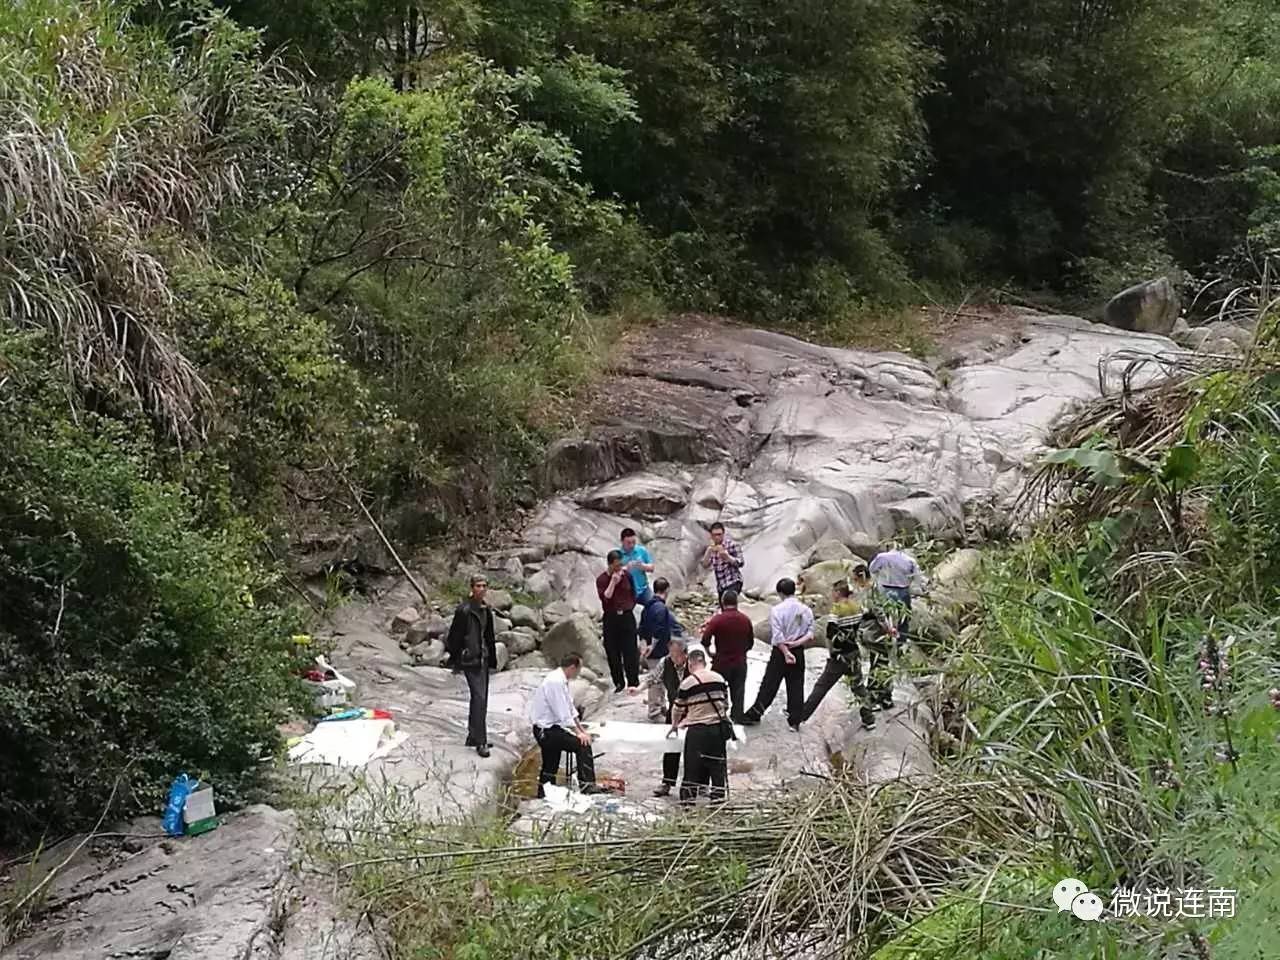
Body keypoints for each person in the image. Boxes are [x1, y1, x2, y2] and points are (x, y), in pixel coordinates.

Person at [795, 581, 877, 729]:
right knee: (858, 688)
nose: (832, 595)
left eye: (833, 592)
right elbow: (870, 615)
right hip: (854, 653)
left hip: (839, 657)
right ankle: (869, 718)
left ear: (838, 593)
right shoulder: (856, 606)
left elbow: (831, 632)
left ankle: (799, 718)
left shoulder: (837, 609)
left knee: (821, 687)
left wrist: (833, 652)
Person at [529, 654, 607, 796]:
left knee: (551, 762)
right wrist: (578, 734)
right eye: (579, 669)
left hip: (551, 728)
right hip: (546, 730)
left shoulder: (561, 680)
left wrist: (582, 730)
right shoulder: (555, 682)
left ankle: (544, 792)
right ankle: (587, 785)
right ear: (572, 667)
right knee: (582, 745)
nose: (579, 673)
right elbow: (562, 713)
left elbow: (570, 708)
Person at [741, 578, 814, 730]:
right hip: (798, 650)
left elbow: (778, 636)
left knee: (770, 684)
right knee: (796, 684)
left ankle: (755, 714)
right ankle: (795, 721)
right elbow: (810, 634)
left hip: (780, 652)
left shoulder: (777, 610)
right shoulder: (806, 610)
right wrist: (795, 644)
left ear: (780, 593)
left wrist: (786, 651)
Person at [669, 645, 731, 805]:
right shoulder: (719, 678)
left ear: (690, 664)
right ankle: (718, 803)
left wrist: (675, 725)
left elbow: (677, 708)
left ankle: (688, 805)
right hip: (718, 730)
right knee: (717, 769)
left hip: (698, 731)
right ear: (704, 661)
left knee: (692, 769)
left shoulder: (687, 683)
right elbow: (726, 704)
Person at [444, 575, 497, 757]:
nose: (481, 589)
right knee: (479, 698)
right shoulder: (464, 610)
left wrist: (493, 661)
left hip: (482, 658)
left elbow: (489, 637)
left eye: (484, 586)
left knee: (481, 698)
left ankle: (474, 736)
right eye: (478, 586)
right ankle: (480, 741)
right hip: (469, 660)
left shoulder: (486, 610)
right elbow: (453, 637)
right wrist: (456, 659)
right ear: (471, 588)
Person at [701, 589, 754, 723]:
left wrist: (710, 653)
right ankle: (737, 716)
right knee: (738, 689)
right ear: (736, 603)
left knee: (714, 687)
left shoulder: (717, 620)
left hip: (721, 660)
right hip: (739, 661)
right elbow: (750, 643)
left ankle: (715, 712)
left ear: (722, 602)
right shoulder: (745, 620)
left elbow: (705, 639)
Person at [639, 578, 683, 722]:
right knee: (656, 682)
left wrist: (644, 645)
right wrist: (653, 644)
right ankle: (654, 711)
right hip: (658, 650)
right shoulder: (661, 608)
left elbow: (642, 628)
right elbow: (659, 629)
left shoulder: (647, 607)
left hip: (650, 650)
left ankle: (661, 706)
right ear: (667, 589)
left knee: (660, 680)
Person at [597, 549, 640, 692]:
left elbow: (634, 593)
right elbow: (605, 597)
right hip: (611, 617)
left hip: (627, 616)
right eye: (616, 565)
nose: (619, 568)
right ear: (610, 565)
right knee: (612, 652)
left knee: (631, 651)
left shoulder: (627, 575)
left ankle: (633, 681)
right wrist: (613, 582)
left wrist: (630, 605)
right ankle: (619, 682)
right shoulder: (602, 579)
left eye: (620, 565)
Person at [653, 637, 690, 797]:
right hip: (674, 710)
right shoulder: (666, 663)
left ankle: (697, 784)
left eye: (676, 655)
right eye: (671, 654)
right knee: (671, 748)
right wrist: (638, 688)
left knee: (694, 749)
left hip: (693, 712)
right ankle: (667, 782)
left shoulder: (693, 664)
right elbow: (653, 679)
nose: (673, 658)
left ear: (685, 654)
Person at [869, 544, 921, 637]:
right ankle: (902, 638)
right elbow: (916, 577)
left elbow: (872, 569)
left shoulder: (882, 557)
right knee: (903, 617)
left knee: (886, 616)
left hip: (886, 589)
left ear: (888, 548)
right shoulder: (909, 560)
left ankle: (888, 637)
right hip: (903, 590)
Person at [702, 522, 744, 604]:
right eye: (714, 535)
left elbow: (741, 562)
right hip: (721, 585)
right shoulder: (712, 548)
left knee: (729, 605)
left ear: (723, 534)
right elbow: (705, 565)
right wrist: (708, 552)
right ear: (711, 535)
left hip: (733, 581)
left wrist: (728, 557)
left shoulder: (732, 545)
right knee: (724, 609)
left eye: (719, 534)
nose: (717, 537)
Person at [619, 528, 655, 605]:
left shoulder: (641, 550)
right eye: (628, 543)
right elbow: (612, 573)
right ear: (622, 541)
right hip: (627, 592)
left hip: (643, 590)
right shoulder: (617, 554)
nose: (632, 545)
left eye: (634, 542)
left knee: (654, 606)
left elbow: (652, 568)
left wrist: (642, 566)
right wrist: (626, 568)